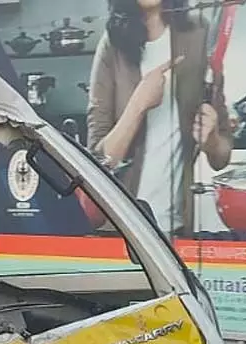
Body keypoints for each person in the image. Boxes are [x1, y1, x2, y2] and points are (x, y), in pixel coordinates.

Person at [86, 0, 234, 235]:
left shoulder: (199, 33)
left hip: (176, 229)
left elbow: (221, 157)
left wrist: (212, 139)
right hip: (119, 227)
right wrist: (138, 105)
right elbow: (98, 161)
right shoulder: (112, 44)